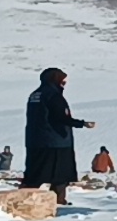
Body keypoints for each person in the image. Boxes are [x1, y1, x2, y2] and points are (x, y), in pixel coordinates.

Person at [22, 68, 93, 206]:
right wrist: (82, 123)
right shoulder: (53, 96)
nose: (64, 84)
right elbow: (60, 117)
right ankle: (58, 201)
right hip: (56, 143)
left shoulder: (35, 94)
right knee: (60, 175)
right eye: (62, 80)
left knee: (35, 174)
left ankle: (25, 200)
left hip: (35, 141)